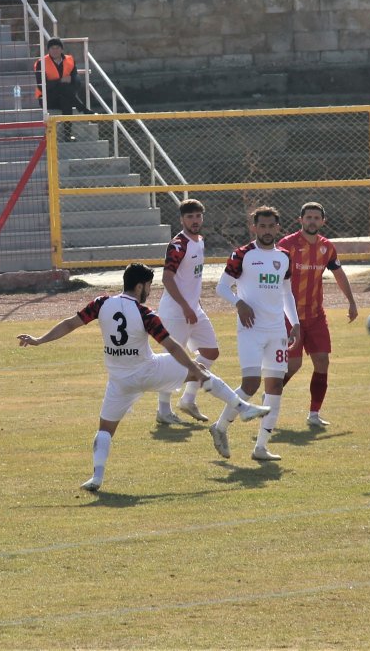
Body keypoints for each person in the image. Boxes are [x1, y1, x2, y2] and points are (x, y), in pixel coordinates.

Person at [17, 263, 270, 492]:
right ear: (139, 286)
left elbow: (69, 324)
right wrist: (192, 367)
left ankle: (97, 477)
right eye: (148, 286)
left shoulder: (101, 303)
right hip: (149, 371)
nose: (149, 291)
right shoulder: (144, 313)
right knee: (202, 371)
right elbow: (171, 346)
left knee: (105, 430)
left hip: (120, 381)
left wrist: (39, 340)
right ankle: (242, 407)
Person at [210, 206, 301, 462]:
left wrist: (294, 322)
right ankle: (220, 428)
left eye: (271, 226)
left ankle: (261, 447)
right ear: (254, 227)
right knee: (250, 384)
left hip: (277, 330)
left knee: (275, 388)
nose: (267, 230)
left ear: (278, 228)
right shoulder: (242, 254)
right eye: (262, 226)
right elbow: (222, 287)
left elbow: (286, 293)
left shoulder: (284, 256)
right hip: (250, 329)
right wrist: (239, 303)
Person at [279, 202, 358, 427]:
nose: (312, 221)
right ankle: (270, 398)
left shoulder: (327, 247)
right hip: (290, 315)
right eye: (308, 217)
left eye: (316, 217)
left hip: (315, 315)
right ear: (300, 220)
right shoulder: (287, 245)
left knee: (322, 361)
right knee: (293, 366)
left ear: (323, 221)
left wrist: (351, 302)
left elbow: (339, 274)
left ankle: (314, 414)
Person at [154, 198, 220, 426]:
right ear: (181, 219)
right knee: (171, 360)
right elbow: (167, 278)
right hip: (175, 312)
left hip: (194, 310)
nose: (195, 220)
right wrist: (185, 306)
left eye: (198, 216)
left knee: (211, 351)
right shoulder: (178, 245)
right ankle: (163, 410)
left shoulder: (200, 240)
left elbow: (191, 279)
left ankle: (188, 399)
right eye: (190, 216)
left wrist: (195, 305)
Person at [33, 37, 92, 142]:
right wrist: (60, 81)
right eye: (52, 48)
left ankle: (67, 135)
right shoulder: (40, 63)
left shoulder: (69, 59)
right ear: (48, 50)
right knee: (63, 87)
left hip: (64, 96)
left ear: (62, 49)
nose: (55, 50)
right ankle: (83, 109)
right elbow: (41, 86)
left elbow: (76, 80)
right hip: (47, 98)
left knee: (66, 99)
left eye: (57, 48)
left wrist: (67, 83)